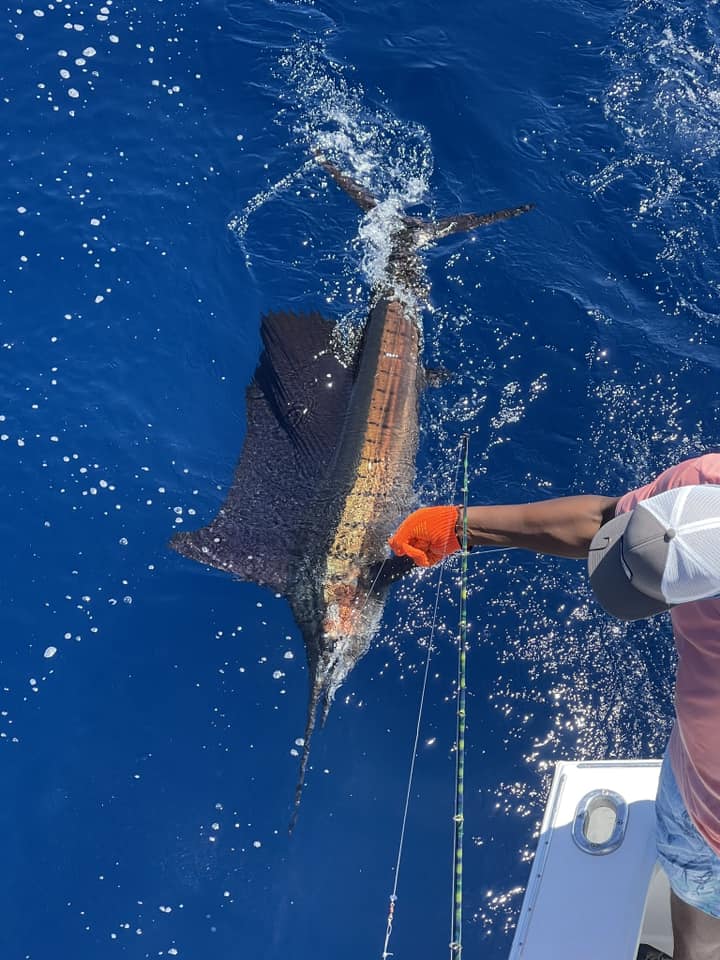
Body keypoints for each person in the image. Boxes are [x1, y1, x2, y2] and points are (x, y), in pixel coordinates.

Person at [388, 453, 720, 960]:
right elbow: (604, 523)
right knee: (692, 898)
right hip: (690, 788)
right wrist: (461, 525)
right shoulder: (702, 485)